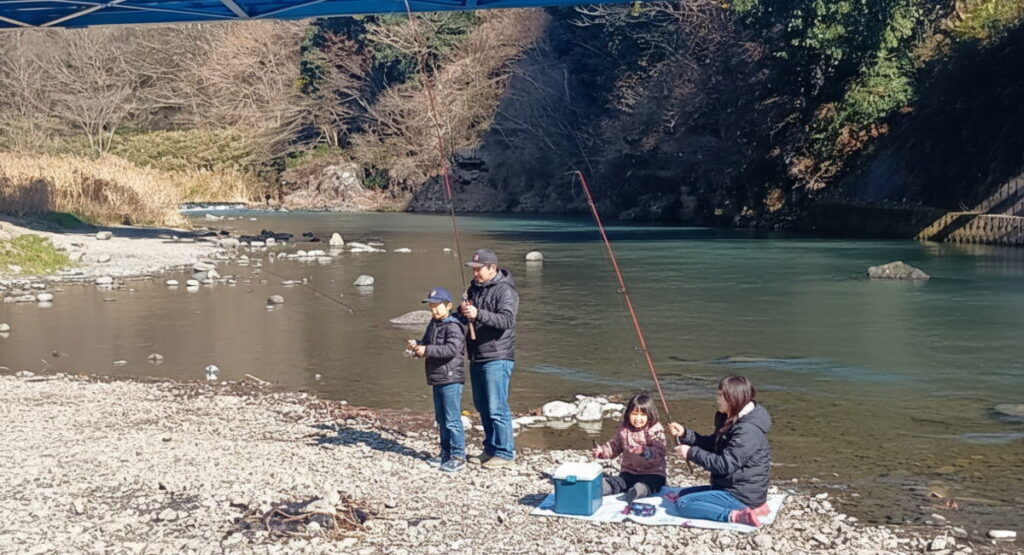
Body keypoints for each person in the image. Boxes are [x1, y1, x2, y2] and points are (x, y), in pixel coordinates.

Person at [668, 375, 772, 527]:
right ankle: (756, 509)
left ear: (733, 398)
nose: (717, 399)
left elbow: (725, 464)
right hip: (729, 486)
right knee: (682, 494)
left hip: (743, 495)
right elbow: (713, 444)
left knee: (684, 503)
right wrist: (685, 434)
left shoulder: (748, 430)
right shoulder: (730, 418)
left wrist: (690, 453)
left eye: (720, 395)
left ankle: (737, 516)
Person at [460, 248, 519, 469]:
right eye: (473, 269)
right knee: (482, 406)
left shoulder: (506, 291)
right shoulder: (473, 289)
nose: (475, 273)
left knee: (497, 407)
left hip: (498, 356)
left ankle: (505, 452)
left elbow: (507, 320)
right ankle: (491, 448)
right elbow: (468, 317)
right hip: (477, 354)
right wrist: (462, 311)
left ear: (492, 268)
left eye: (479, 269)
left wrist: (478, 314)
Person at [407, 287, 468, 473]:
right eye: (431, 306)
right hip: (437, 377)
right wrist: (417, 346)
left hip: (451, 378)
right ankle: (445, 453)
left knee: (452, 420)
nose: (434, 309)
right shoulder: (433, 324)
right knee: (441, 419)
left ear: (448, 306)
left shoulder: (454, 326)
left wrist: (427, 350)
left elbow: (452, 350)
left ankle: (458, 456)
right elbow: (427, 344)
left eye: (437, 305)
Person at [591, 394, 667, 507]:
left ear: (650, 415)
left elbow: (660, 450)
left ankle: (636, 492)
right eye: (634, 414)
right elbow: (614, 446)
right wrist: (602, 451)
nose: (638, 418)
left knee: (652, 483)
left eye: (642, 415)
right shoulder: (624, 430)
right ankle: (598, 487)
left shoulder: (655, 429)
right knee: (620, 482)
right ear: (628, 413)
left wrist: (644, 451)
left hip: (653, 472)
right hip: (629, 471)